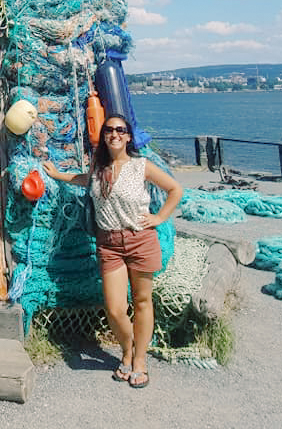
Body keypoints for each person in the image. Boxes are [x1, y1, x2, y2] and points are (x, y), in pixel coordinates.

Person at [43, 113, 182, 388]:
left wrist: (159, 218)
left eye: (120, 130)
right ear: (104, 135)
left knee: (142, 302)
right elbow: (85, 180)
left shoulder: (141, 166)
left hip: (139, 239)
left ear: (128, 136)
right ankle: (129, 350)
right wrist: (58, 175)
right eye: (109, 130)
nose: (114, 134)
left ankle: (138, 360)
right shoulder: (99, 167)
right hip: (109, 244)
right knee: (115, 308)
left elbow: (174, 189)